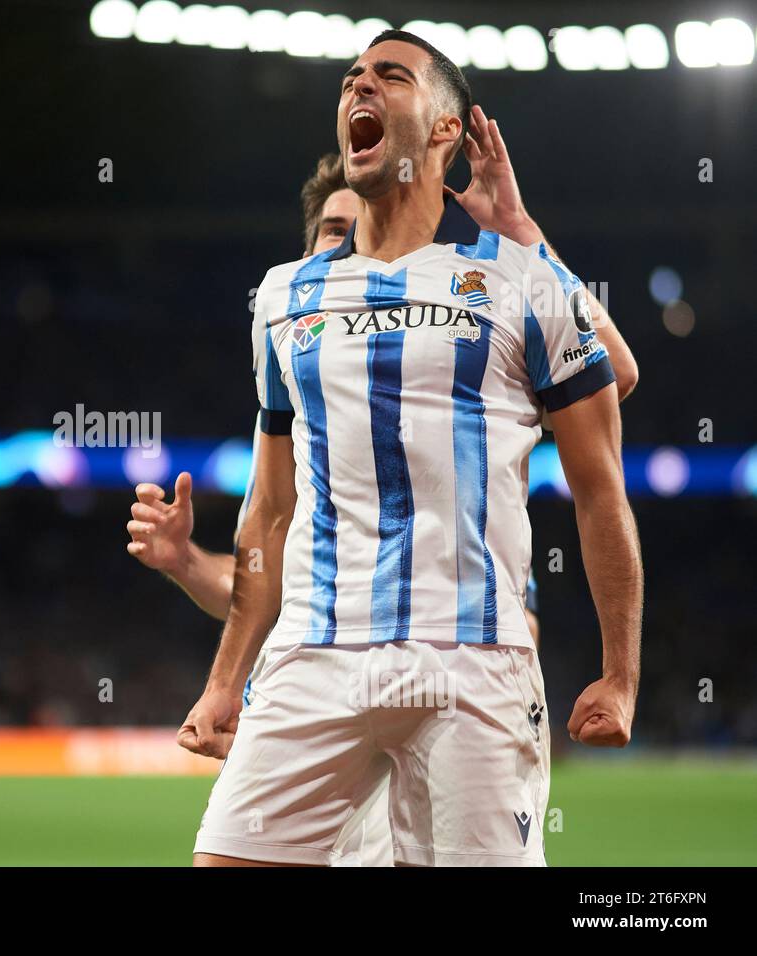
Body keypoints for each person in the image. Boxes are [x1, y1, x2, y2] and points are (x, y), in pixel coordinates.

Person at [177, 30, 642, 866]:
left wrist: (620, 671)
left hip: (472, 658)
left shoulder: (520, 280)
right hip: (311, 653)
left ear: (444, 132)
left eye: (390, 76)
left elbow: (600, 482)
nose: (361, 86)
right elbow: (269, 508)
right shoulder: (284, 296)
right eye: (353, 76)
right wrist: (223, 681)